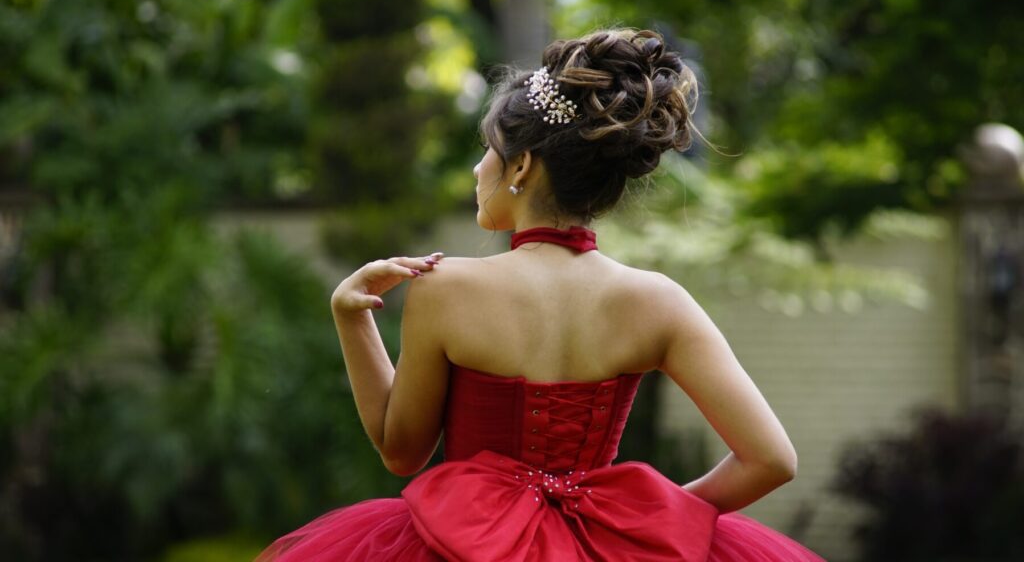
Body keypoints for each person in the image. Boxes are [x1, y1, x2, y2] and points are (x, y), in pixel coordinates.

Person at [257, 28, 826, 561]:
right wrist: (644, 520)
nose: (478, 168)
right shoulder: (660, 302)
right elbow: (770, 459)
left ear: (521, 166)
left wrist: (351, 318)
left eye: (487, 149)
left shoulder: (445, 289)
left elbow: (402, 453)